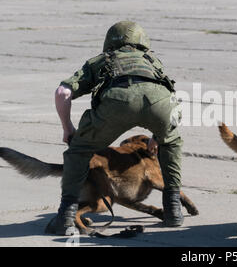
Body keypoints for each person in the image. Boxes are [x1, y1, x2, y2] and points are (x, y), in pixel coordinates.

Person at [46, 21, 184, 236]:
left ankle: (66, 216)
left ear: (108, 42)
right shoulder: (152, 60)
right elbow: (170, 97)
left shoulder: (101, 61)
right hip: (159, 104)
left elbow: (62, 93)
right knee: (171, 142)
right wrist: (159, 135)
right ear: (143, 43)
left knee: (78, 152)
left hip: (115, 104)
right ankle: (173, 211)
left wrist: (68, 128)